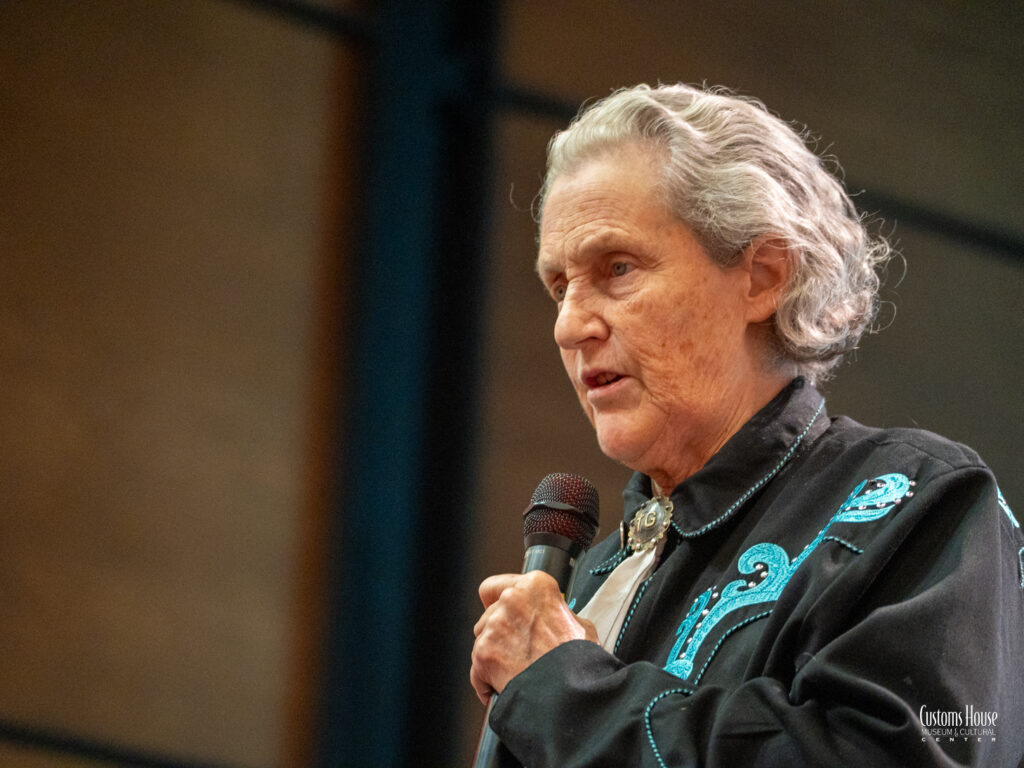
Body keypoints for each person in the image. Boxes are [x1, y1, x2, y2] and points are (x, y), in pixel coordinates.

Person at [470, 83, 1024, 767]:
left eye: (617, 268)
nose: (569, 325)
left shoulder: (913, 502)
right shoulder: (590, 580)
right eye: (559, 286)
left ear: (762, 277)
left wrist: (569, 694)